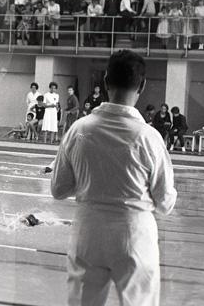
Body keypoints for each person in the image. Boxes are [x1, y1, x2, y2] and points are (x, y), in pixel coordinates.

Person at [50, 50, 177, 306]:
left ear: (106, 81)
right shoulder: (148, 137)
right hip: (134, 234)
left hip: (88, 232)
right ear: (142, 85)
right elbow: (164, 202)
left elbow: (59, 189)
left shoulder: (79, 130)